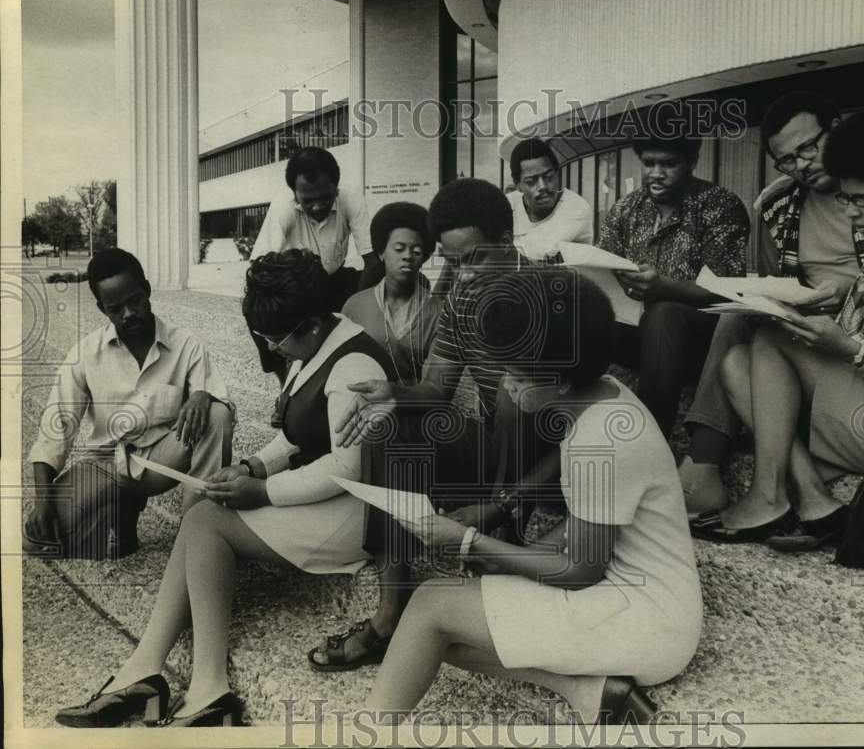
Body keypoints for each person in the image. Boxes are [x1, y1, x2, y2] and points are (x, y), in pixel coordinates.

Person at [54, 249, 395, 728]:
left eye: (277, 339)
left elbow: (348, 466)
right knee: (203, 515)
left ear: (314, 325)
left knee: (206, 521)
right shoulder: (318, 342)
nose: (273, 349)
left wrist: (264, 492)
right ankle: (154, 672)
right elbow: (297, 435)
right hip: (333, 497)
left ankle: (190, 681)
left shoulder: (354, 368)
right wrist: (255, 464)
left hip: (363, 515)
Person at [362, 269, 703, 725]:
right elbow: (590, 522)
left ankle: (362, 734)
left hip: (649, 618)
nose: (505, 384)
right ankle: (590, 689)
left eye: (518, 377)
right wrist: (507, 550)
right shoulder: (602, 396)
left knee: (428, 606)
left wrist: (468, 542)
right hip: (634, 594)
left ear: (560, 380)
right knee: (449, 632)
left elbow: (579, 570)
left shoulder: (602, 441)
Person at [306, 178, 562, 672]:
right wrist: (394, 394)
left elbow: (583, 437)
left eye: (475, 260)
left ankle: (506, 529)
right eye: (451, 262)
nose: (461, 277)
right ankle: (390, 609)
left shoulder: (556, 302)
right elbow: (437, 389)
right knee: (390, 423)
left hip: (552, 469)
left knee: (514, 394)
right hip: (495, 455)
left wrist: (501, 503)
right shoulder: (463, 300)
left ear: (508, 246)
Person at [691, 106, 864, 546]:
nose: (851, 214)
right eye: (847, 199)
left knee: (766, 344)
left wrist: (854, 351)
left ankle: (775, 496)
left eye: (863, 201)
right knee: (739, 358)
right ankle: (811, 500)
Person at [24, 248, 234, 559]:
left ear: (147, 291)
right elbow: (55, 430)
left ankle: (197, 531)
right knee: (37, 540)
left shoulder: (186, 345)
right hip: (107, 463)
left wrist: (203, 394)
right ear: (101, 308)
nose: (128, 314)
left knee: (216, 415)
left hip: (162, 461)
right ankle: (121, 514)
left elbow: (223, 404)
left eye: (134, 301)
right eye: (115, 308)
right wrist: (43, 500)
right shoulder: (85, 354)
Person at [597, 128, 749, 487]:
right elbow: (601, 264)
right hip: (636, 329)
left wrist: (666, 287)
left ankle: (647, 453)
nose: (656, 173)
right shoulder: (625, 209)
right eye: (649, 163)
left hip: (697, 337)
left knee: (665, 312)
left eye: (669, 164)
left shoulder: (718, 206)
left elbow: (728, 293)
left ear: (692, 162)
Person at [249, 147, 382, 380]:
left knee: (367, 283)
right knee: (256, 309)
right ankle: (284, 380)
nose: (318, 206)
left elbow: (373, 262)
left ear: (336, 188)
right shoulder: (282, 207)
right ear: (294, 194)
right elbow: (260, 270)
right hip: (296, 284)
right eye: (308, 200)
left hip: (333, 278)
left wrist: (352, 311)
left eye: (325, 197)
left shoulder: (351, 198)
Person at [342, 201, 442, 385]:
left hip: (418, 405)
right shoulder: (355, 306)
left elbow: (437, 384)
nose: (408, 256)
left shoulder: (437, 311)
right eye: (398, 249)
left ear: (425, 257)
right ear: (381, 253)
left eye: (417, 251)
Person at [506, 137, 593, 260]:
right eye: (531, 181)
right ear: (518, 185)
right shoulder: (507, 204)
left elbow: (536, 250)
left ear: (557, 174)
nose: (542, 186)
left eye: (549, 177)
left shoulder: (576, 208)